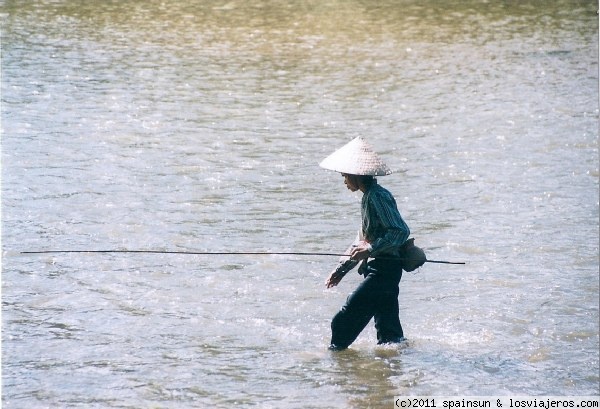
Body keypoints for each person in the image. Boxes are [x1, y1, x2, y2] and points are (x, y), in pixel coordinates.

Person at [319, 136, 410, 351]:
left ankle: (336, 361)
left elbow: (400, 231)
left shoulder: (377, 196)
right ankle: (392, 371)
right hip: (384, 269)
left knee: (343, 322)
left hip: (384, 270)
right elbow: (361, 241)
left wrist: (370, 249)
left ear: (355, 175)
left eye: (344, 176)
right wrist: (341, 269)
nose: (344, 181)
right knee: (389, 335)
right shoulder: (369, 196)